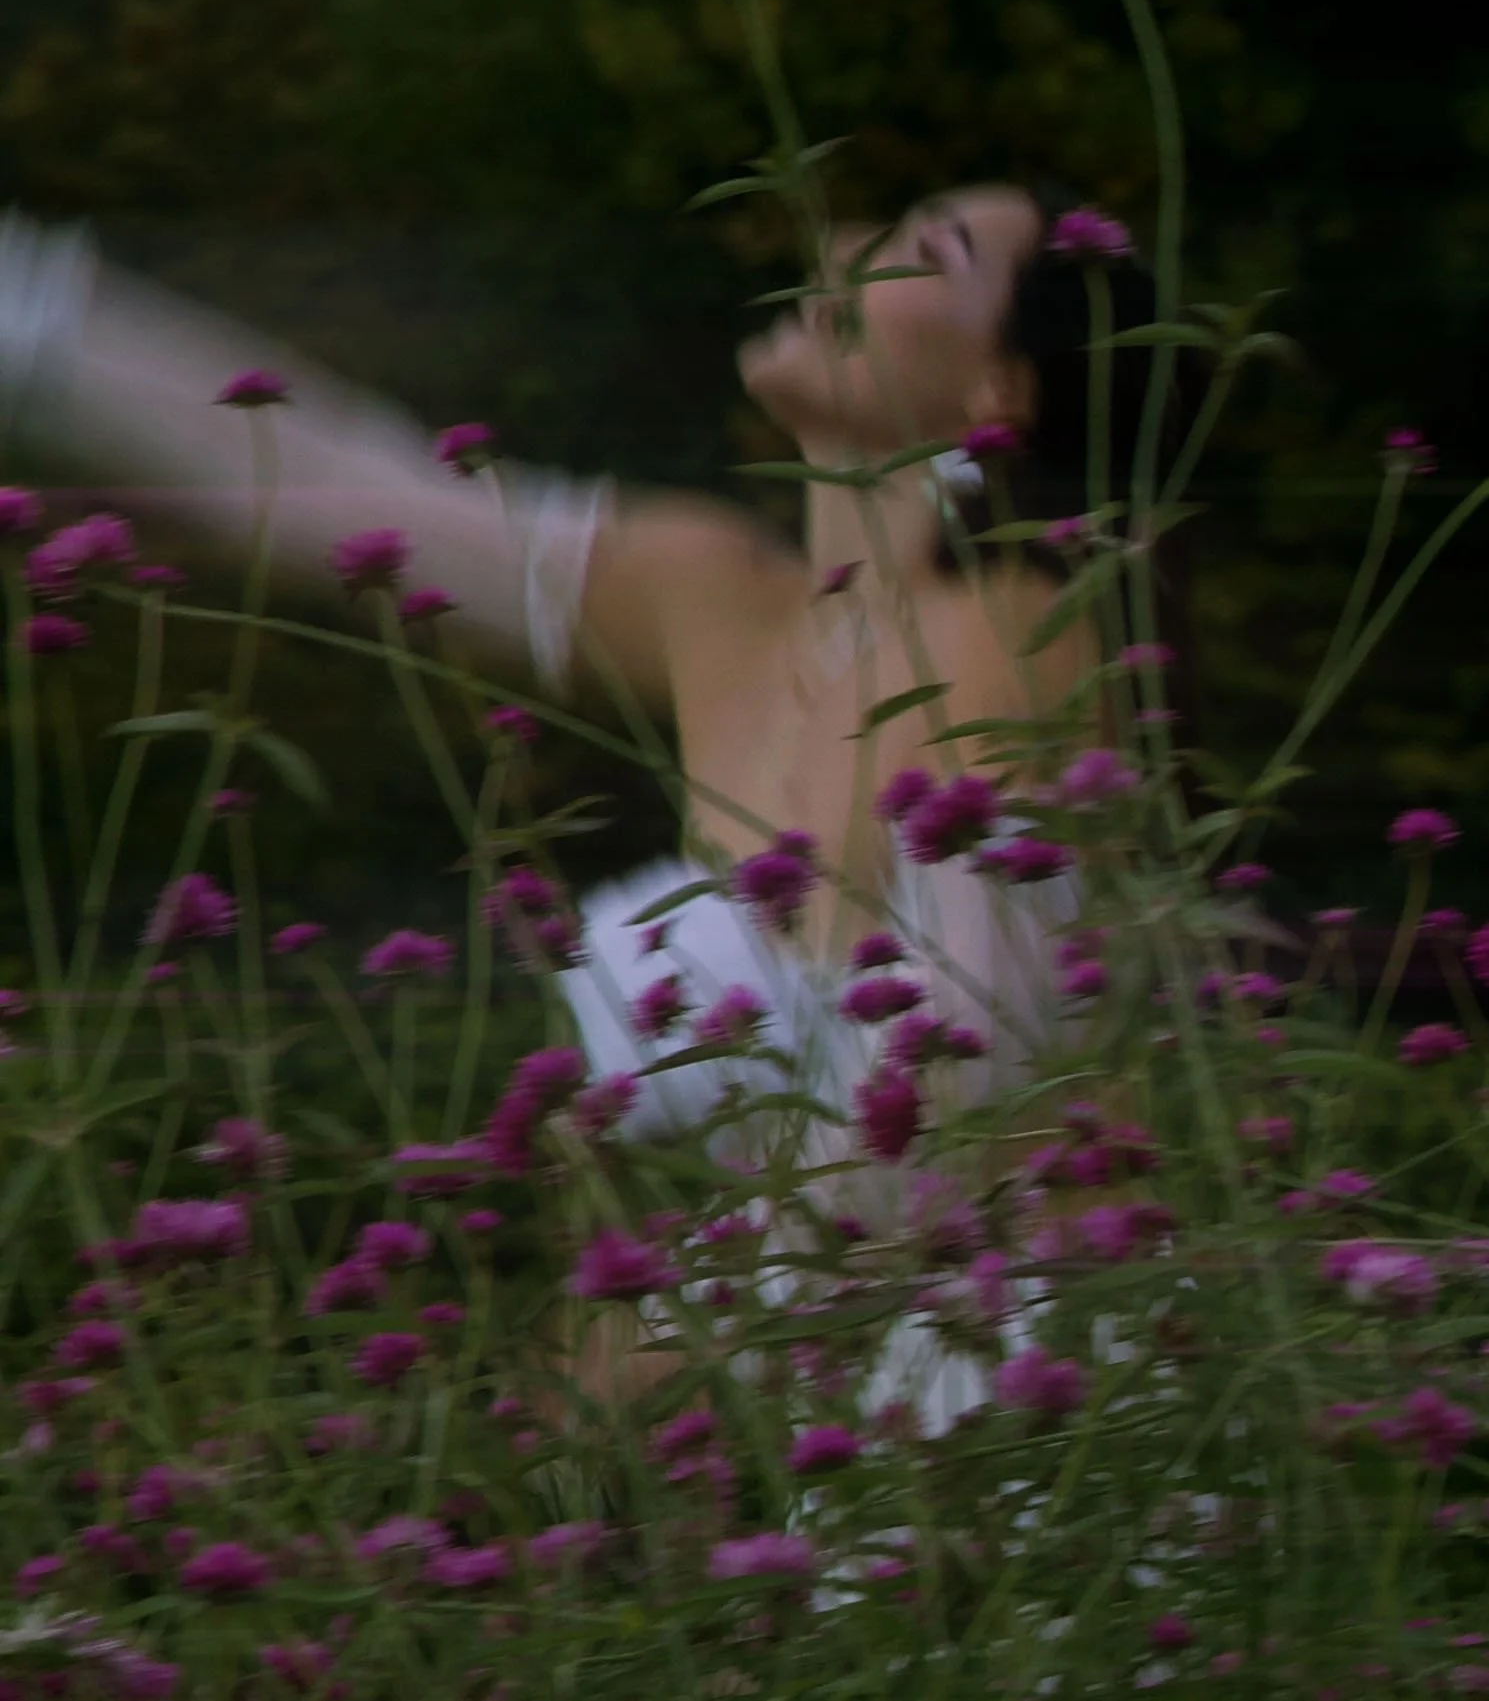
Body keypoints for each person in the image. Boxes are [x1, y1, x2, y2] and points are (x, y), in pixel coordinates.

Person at [0, 185, 1195, 1429]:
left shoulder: (1016, 637)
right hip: (801, 1452)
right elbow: (330, 486)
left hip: (1020, 1427)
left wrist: (597, 1387)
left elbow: (943, 1120)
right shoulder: (713, 593)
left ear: (1000, 396)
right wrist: (30, 314)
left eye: (926, 251)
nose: (840, 245)